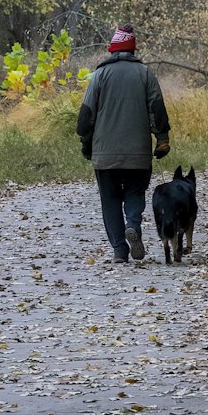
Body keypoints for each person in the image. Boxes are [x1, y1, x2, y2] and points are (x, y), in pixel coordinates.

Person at [77, 24, 170, 262]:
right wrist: (161, 138)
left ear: (112, 50)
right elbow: (157, 109)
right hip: (138, 153)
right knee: (135, 192)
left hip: (105, 153)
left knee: (109, 199)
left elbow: (87, 115)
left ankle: (120, 250)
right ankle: (133, 225)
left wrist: (86, 143)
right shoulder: (145, 74)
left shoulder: (99, 75)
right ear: (133, 49)